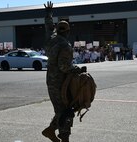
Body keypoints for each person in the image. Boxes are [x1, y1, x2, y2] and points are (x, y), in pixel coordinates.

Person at [42, 1, 85, 142]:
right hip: (61, 83)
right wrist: (76, 69)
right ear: (68, 31)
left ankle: (50, 130)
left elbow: (49, 26)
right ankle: (64, 138)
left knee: (60, 110)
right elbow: (64, 67)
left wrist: (48, 13)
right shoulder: (65, 45)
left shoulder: (51, 39)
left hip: (50, 80)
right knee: (65, 111)